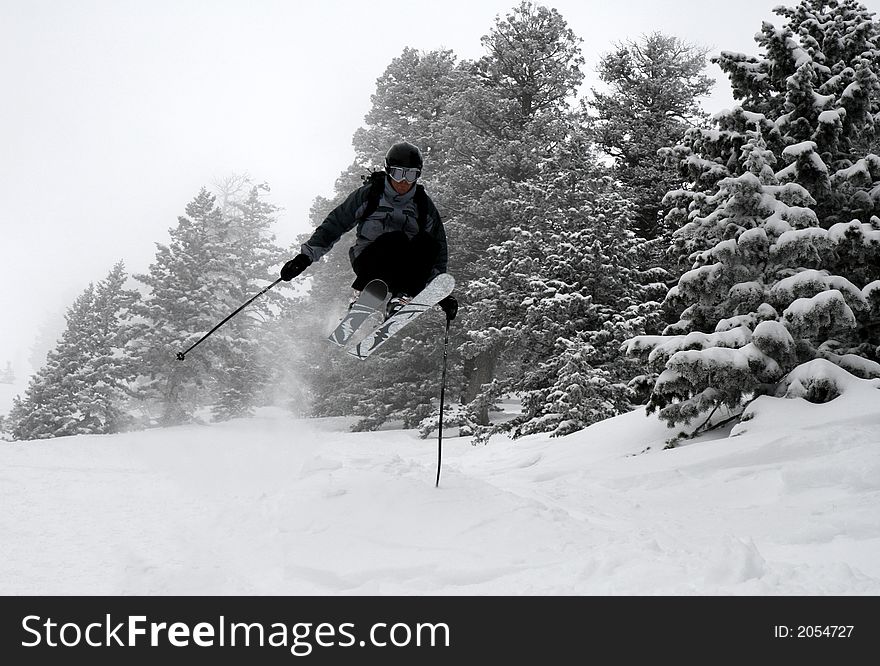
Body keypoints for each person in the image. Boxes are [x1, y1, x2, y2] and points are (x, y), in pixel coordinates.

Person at [280, 141, 457, 320]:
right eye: (398, 174)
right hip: (370, 262)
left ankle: (401, 298)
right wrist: (304, 258)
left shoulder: (423, 205)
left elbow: (436, 249)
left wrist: (439, 291)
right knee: (397, 239)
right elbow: (335, 224)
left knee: (427, 243)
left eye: (411, 175)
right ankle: (363, 295)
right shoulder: (370, 195)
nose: (403, 181)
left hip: (404, 270)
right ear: (388, 171)